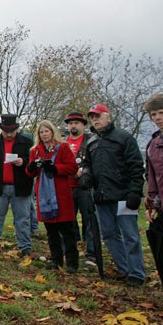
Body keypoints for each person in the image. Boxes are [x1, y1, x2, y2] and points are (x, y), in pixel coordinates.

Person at [82, 104, 145, 286]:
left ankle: (137, 273)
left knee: (130, 236)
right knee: (109, 235)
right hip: (101, 197)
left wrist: (135, 192)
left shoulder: (123, 138)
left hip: (124, 196)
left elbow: (136, 166)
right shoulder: (92, 142)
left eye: (98, 116)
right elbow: (87, 164)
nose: (95, 119)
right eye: (92, 117)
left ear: (108, 117)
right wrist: (86, 175)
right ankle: (124, 268)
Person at [26, 120, 79, 273]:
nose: (44, 134)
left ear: (52, 132)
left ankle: (72, 262)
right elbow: (30, 173)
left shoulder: (62, 147)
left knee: (67, 231)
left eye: (46, 131)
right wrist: (31, 167)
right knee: (51, 232)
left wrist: (55, 168)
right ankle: (56, 260)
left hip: (60, 194)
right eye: (41, 132)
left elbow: (72, 167)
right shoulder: (35, 150)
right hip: (44, 196)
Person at [0, 114, 34, 256]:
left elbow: (35, 161)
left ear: (17, 129)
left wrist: (24, 161)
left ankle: (25, 246)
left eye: (12, 131)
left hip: (21, 187)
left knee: (22, 218)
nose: (9, 134)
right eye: (6, 131)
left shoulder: (27, 143)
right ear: (1, 129)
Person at [63, 111, 97, 268]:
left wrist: (84, 172)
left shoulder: (91, 141)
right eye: (70, 123)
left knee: (89, 221)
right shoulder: (63, 142)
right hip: (67, 187)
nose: (73, 126)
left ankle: (92, 254)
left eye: (76, 123)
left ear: (83, 125)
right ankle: (68, 252)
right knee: (67, 222)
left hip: (85, 187)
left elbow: (94, 162)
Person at [144, 94, 163, 227]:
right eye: (153, 114)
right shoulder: (153, 145)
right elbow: (153, 180)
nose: (157, 117)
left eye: (162, 112)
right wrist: (153, 205)